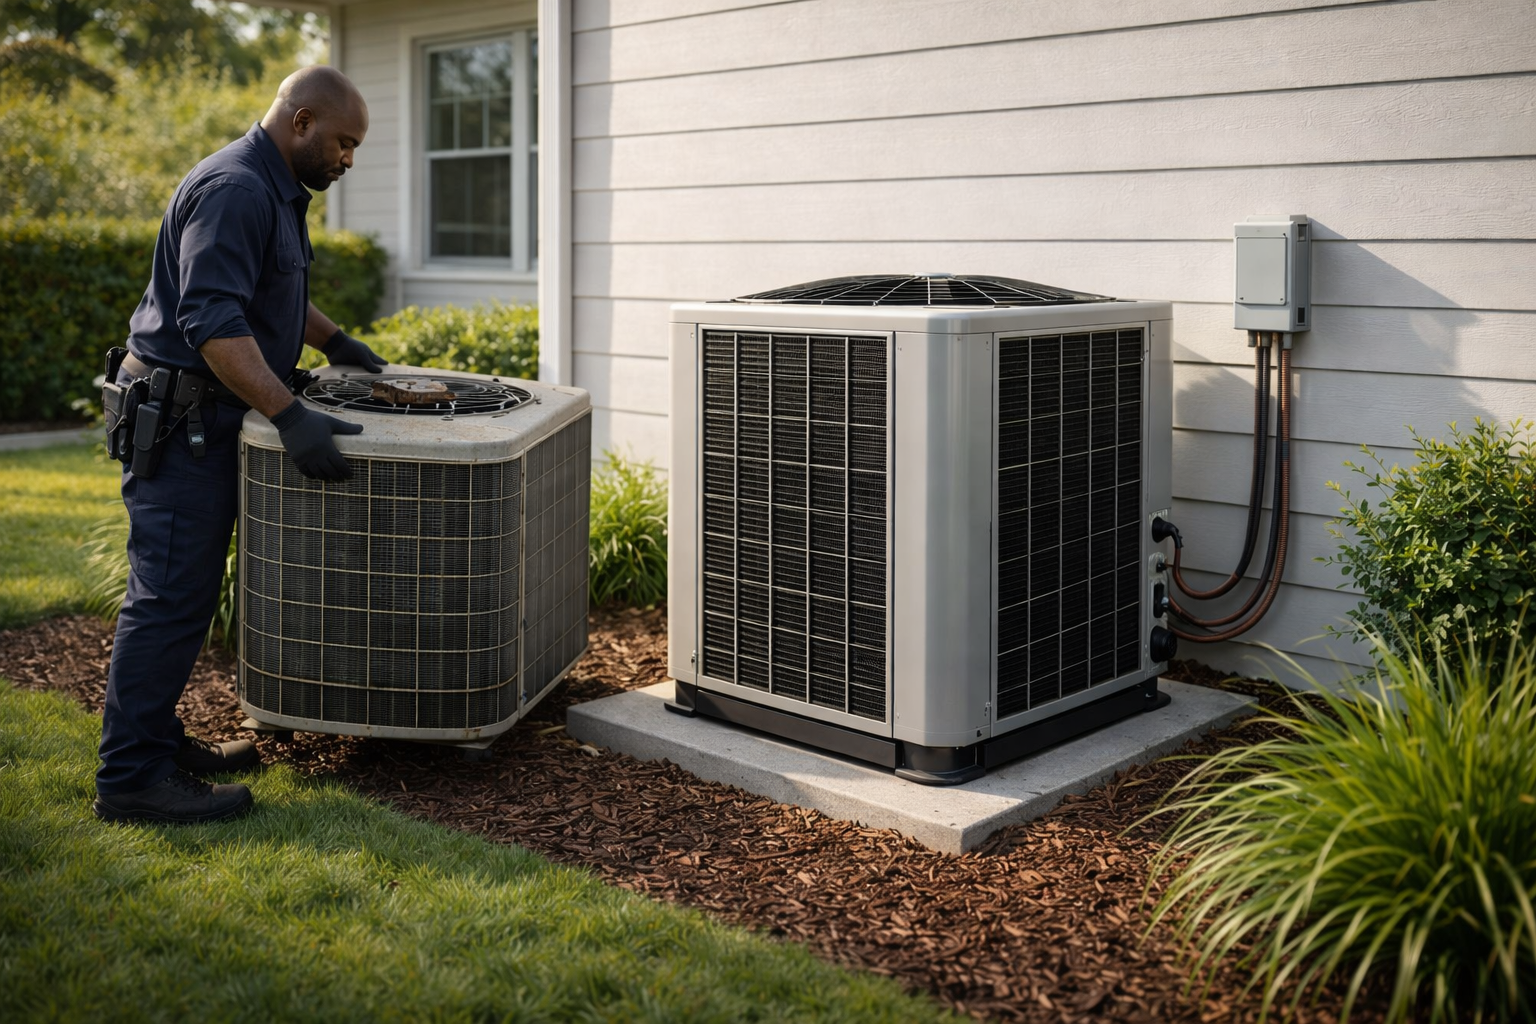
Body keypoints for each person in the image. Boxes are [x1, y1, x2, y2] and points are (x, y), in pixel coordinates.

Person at [93, 66, 387, 824]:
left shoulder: (273, 188)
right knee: (166, 601)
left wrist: (335, 340)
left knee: (180, 600)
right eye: (344, 142)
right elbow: (212, 322)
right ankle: (131, 777)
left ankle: (153, 741)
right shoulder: (237, 190)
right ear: (301, 121)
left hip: (208, 422)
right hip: (182, 424)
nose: (349, 159)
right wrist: (291, 416)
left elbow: (271, 286)